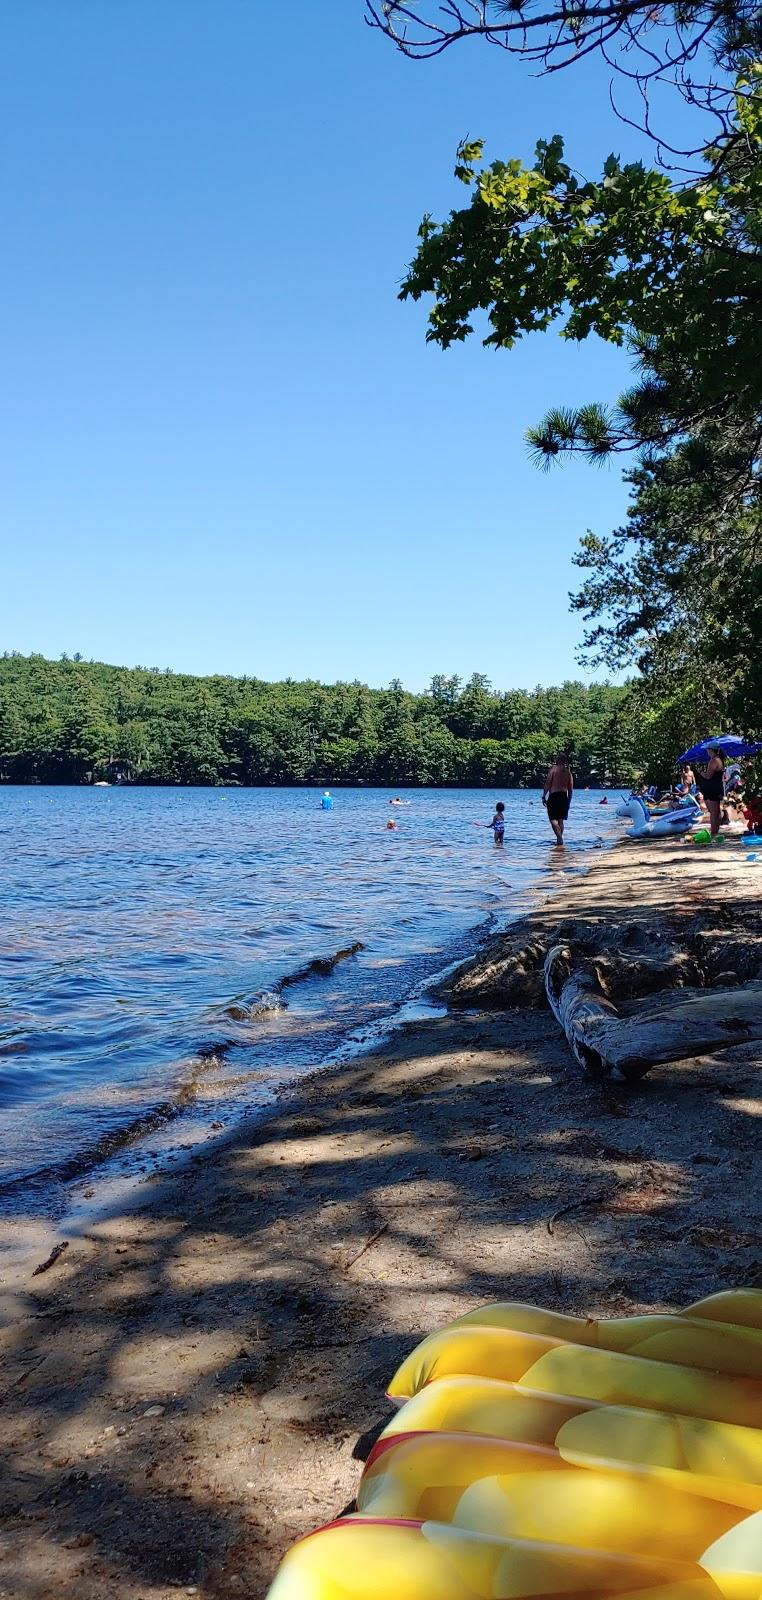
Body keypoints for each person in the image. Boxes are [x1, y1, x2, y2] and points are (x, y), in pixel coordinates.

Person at [543, 753, 573, 845]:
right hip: (564, 796)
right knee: (560, 820)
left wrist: (544, 795)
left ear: (558, 760)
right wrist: (569, 801)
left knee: (553, 819)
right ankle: (559, 840)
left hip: (554, 796)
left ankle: (559, 839)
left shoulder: (553, 770)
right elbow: (570, 789)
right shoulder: (568, 773)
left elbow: (548, 783)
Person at [697, 747, 726, 837]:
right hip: (717, 787)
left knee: (713, 812)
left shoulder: (713, 761)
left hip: (711, 789)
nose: (707, 752)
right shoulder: (720, 759)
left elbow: (708, 776)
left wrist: (701, 772)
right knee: (716, 811)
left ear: (711, 750)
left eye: (708, 750)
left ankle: (713, 833)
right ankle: (716, 832)